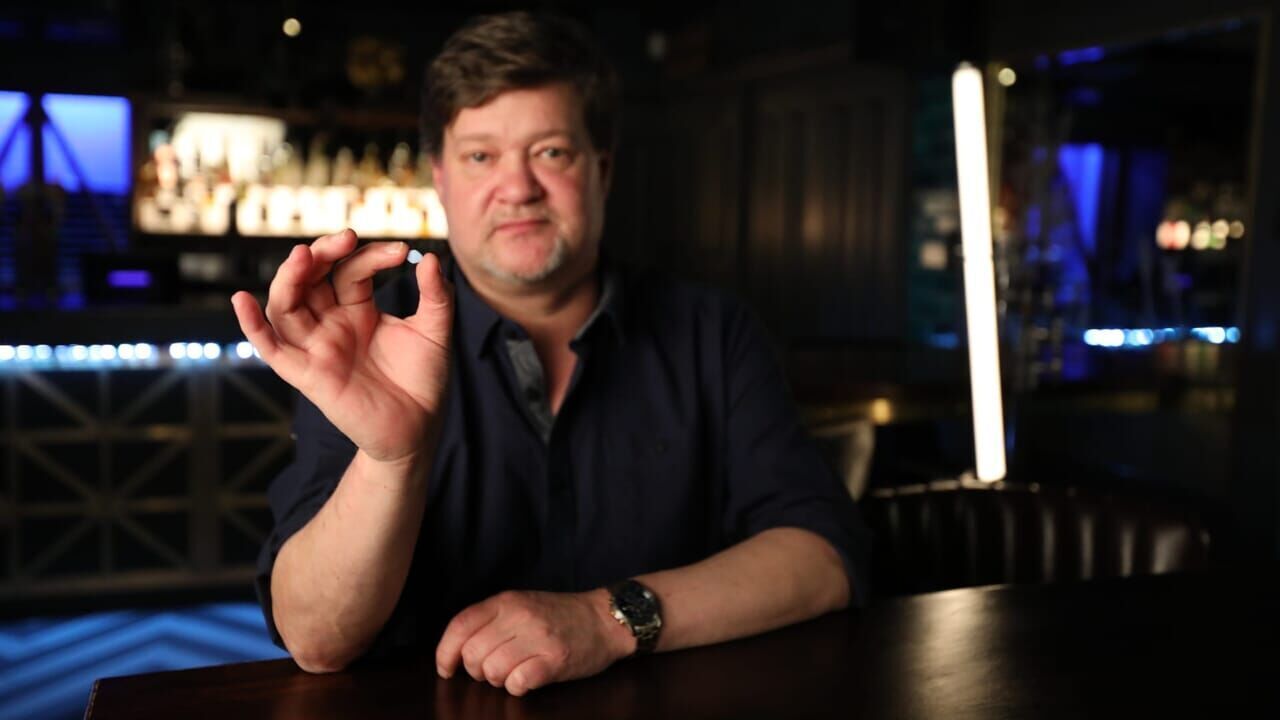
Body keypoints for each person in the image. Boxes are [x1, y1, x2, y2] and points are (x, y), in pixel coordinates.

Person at [231, 11, 870, 697]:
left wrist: (608, 619)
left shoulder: (713, 332)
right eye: (481, 157)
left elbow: (824, 560)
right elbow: (317, 640)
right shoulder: (371, 340)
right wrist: (392, 460)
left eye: (551, 152)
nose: (518, 188)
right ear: (440, 178)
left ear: (602, 170)